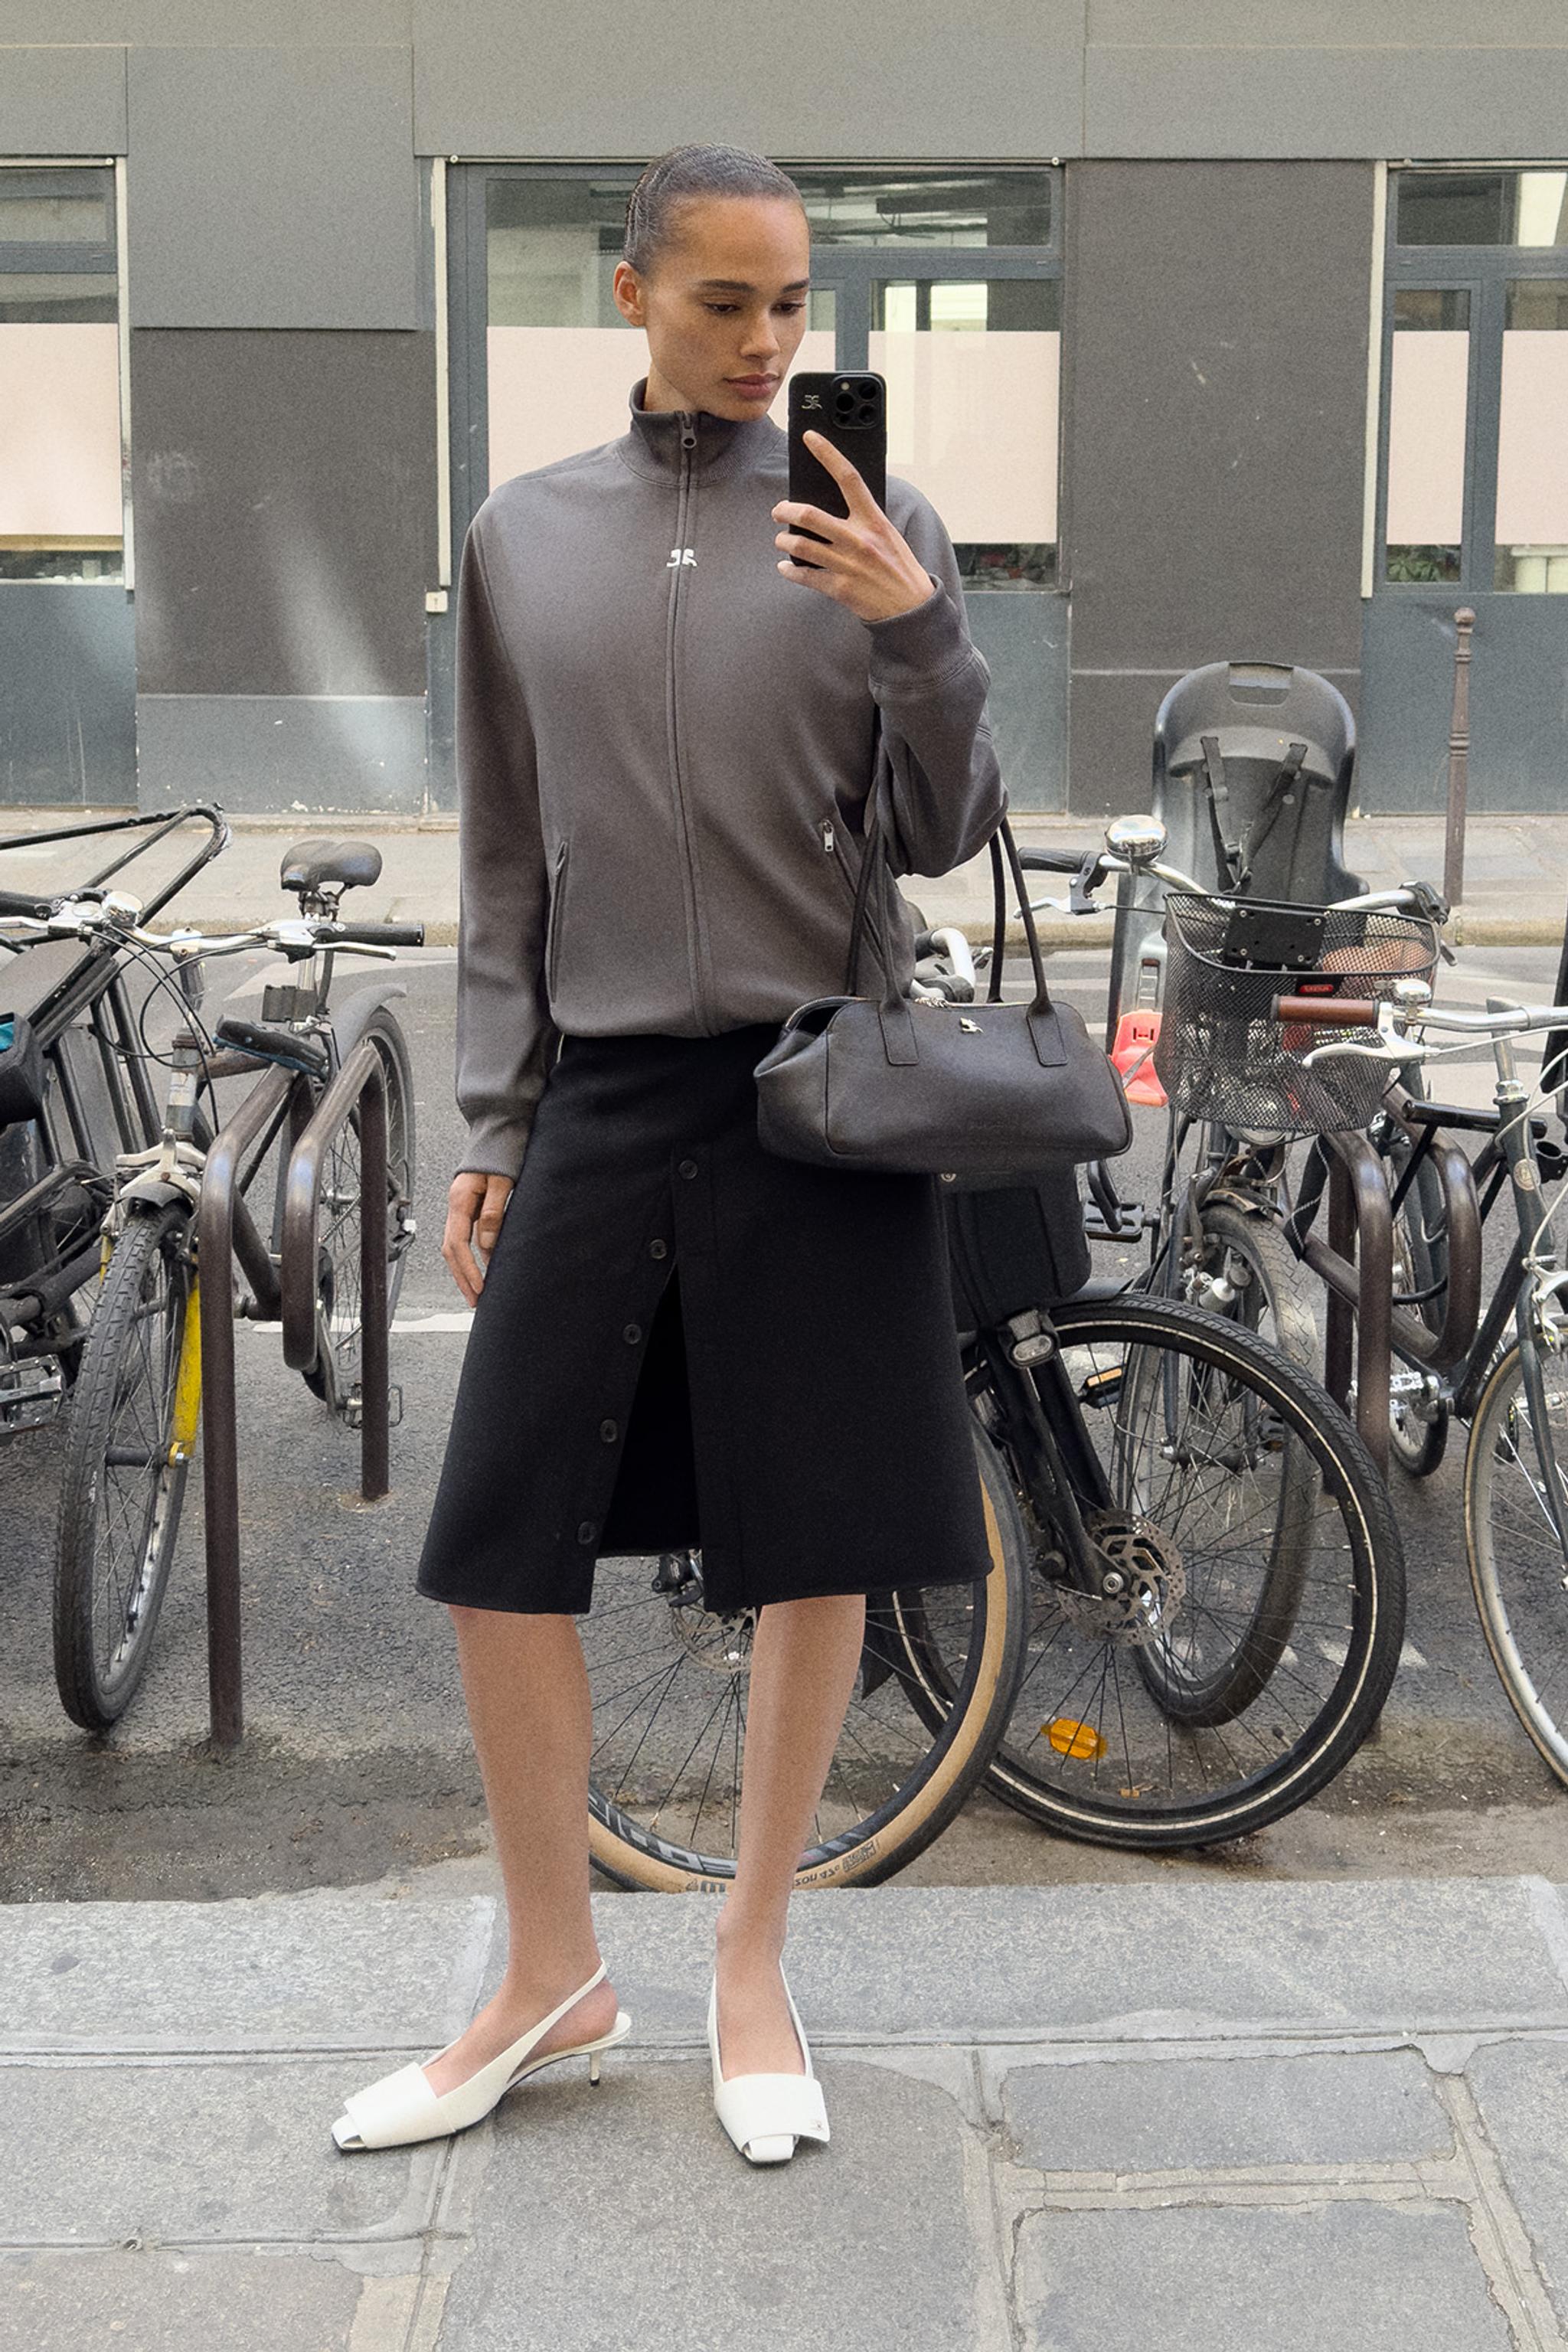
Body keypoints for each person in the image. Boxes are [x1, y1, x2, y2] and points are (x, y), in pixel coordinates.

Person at [331, 143, 1005, 2168]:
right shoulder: (526, 540)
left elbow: (945, 827)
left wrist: (917, 631)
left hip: (820, 1085)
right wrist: (495, 1116)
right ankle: (553, 1967)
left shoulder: (882, 524)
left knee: (810, 1537)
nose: (765, 340)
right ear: (631, 297)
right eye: (724, 301)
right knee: (498, 1540)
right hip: (612, 1086)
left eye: (791, 304)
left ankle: (751, 1957)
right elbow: (508, 863)